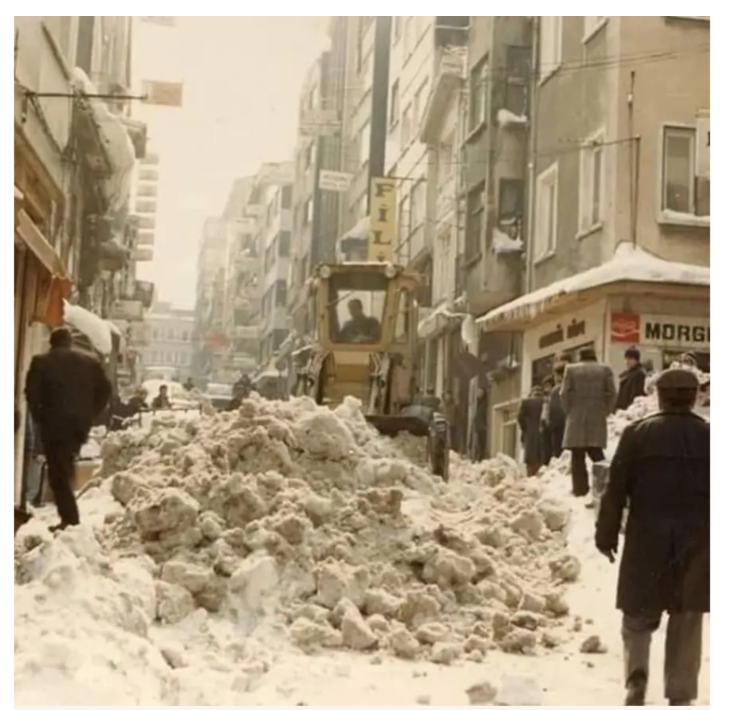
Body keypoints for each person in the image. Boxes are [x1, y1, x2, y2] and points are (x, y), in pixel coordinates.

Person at [595, 369, 709, 707]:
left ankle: (636, 678)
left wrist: (606, 534)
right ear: (694, 397)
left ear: (659, 397)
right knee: (687, 617)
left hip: (646, 538)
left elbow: (615, 491)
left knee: (637, 614)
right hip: (697, 542)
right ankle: (681, 693)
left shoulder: (637, 434)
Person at [25, 327, 112, 530]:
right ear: (70, 343)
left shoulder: (41, 362)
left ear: (51, 343)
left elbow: (31, 394)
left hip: (53, 427)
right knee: (64, 468)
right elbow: (105, 390)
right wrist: (90, 413)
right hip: (78, 426)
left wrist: (40, 417)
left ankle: (70, 520)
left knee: (58, 474)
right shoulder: (89, 363)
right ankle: (69, 519)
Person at [560, 346, 617, 497]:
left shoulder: (571, 370)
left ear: (580, 356)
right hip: (597, 416)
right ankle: (606, 486)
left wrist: (570, 411)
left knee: (577, 457)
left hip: (576, 417)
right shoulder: (605, 370)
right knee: (596, 453)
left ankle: (580, 490)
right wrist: (605, 410)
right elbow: (612, 393)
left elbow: (564, 394)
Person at [517, 385, 546, 477]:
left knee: (530, 468)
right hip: (543, 441)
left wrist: (526, 429)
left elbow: (520, 418)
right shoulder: (545, 403)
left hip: (529, 441)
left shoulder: (526, 404)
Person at [615, 346, 647, 412]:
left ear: (636, 360)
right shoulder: (626, 373)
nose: (627, 361)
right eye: (626, 359)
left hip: (631, 409)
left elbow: (637, 394)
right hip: (623, 409)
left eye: (630, 359)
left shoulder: (639, 374)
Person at [473, 388, 488, 462]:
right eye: (478, 392)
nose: (479, 394)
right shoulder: (477, 403)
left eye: (481, 392)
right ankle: (479, 455)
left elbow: (484, 414)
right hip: (478, 426)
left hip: (482, 426)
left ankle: (482, 456)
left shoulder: (485, 403)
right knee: (478, 442)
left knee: (482, 443)